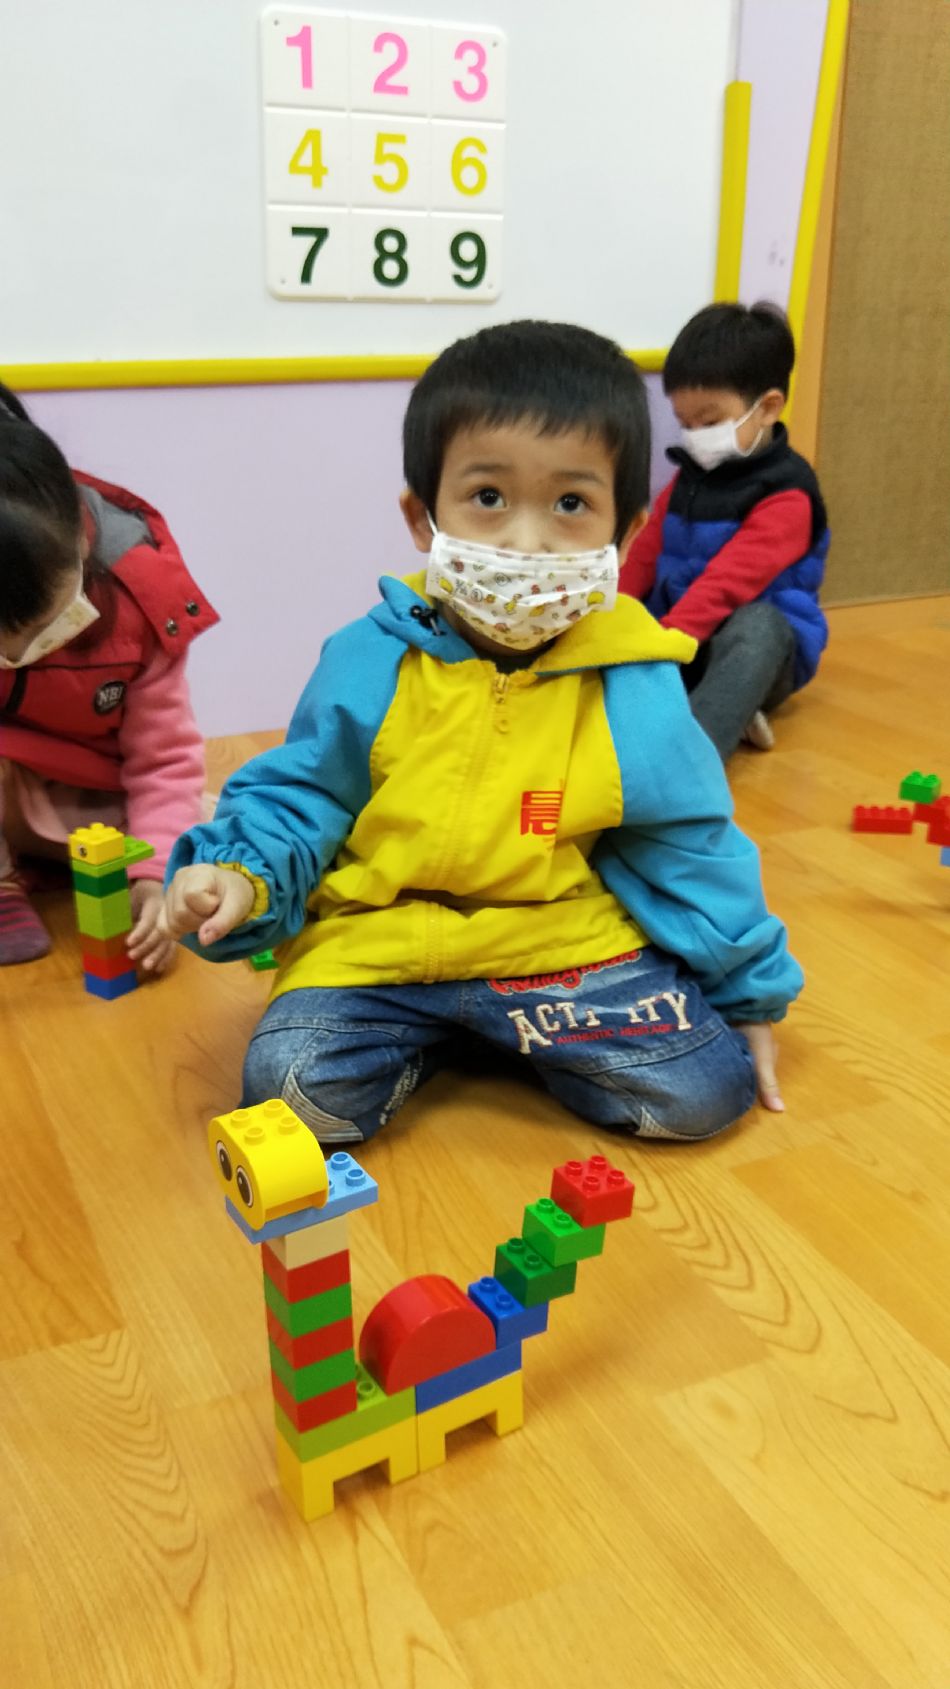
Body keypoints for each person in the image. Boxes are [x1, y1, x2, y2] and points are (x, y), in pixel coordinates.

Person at [160, 319, 802, 1147]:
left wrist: (748, 996)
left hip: (557, 947)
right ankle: (463, 1040)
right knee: (288, 1087)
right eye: (489, 497)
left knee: (708, 1088)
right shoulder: (370, 658)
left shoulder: (633, 683)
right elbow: (302, 793)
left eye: (571, 503)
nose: (526, 540)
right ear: (422, 517)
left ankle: (501, 1034)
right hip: (378, 947)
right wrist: (241, 874)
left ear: (628, 530)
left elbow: (690, 844)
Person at [0, 384, 218, 968]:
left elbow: (164, 759)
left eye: (39, 629)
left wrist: (156, 875)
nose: (16, 656)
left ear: (79, 538)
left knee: (212, 838)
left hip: (99, 805)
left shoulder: (139, 604)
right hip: (12, 796)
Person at [619, 301, 830, 759]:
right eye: (685, 424)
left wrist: (664, 646)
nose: (695, 435)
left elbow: (726, 584)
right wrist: (611, 614)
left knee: (760, 628)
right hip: (680, 641)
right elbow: (644, 553)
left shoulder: (788, 495)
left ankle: (688, 758)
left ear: (767, 408)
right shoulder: (688, 477)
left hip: (752, 654)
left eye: (710, 422)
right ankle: (720, 709)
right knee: (618, 621)